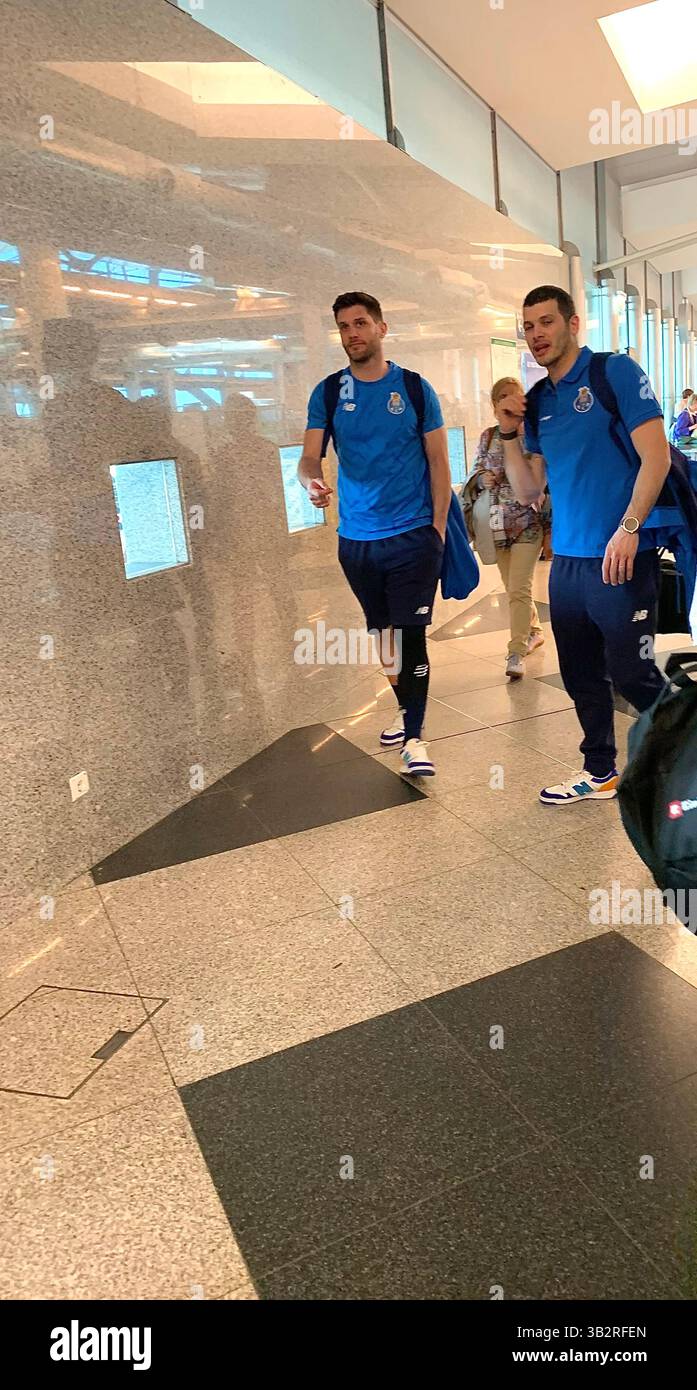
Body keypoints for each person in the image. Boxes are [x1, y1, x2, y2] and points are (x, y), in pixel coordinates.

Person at [495, 285, 671, 806]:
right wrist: (508, 433)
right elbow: (529, 491)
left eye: (546, 322)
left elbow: (656, 457)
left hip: (622, 555)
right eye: (528, 327)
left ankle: (685, 760)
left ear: (573, 324)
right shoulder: (540, 402)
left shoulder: (613, 373)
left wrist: (630, 527)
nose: (537, 335)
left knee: (633, 673)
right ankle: (600, 771)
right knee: (580, 674)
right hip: (569, 562)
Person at [298, 290, 451, 777]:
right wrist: (310, 482)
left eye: (361, 323)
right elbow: (308, 459)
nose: (352, 334)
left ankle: (416, 737)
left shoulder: (413, 388)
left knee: (411, 638)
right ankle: (407, 710)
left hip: (412, 535)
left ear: (382, 329)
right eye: (344, 327)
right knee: (383, 638)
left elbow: (438, 463)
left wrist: (439, 531)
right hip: (357, 541)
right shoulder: (327, 393)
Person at [472, 375, 550, 679]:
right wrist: (482, 479)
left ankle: (515, 651)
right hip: (497, 526)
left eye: (515, 396)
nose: (510, 401)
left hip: (527, 524)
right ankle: (534, 630)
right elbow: (476, 469)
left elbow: (541, 479)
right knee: (514, 588)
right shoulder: (488, 436)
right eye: (503, 396)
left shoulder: (532, 435)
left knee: (518, 589)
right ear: (495, 406)